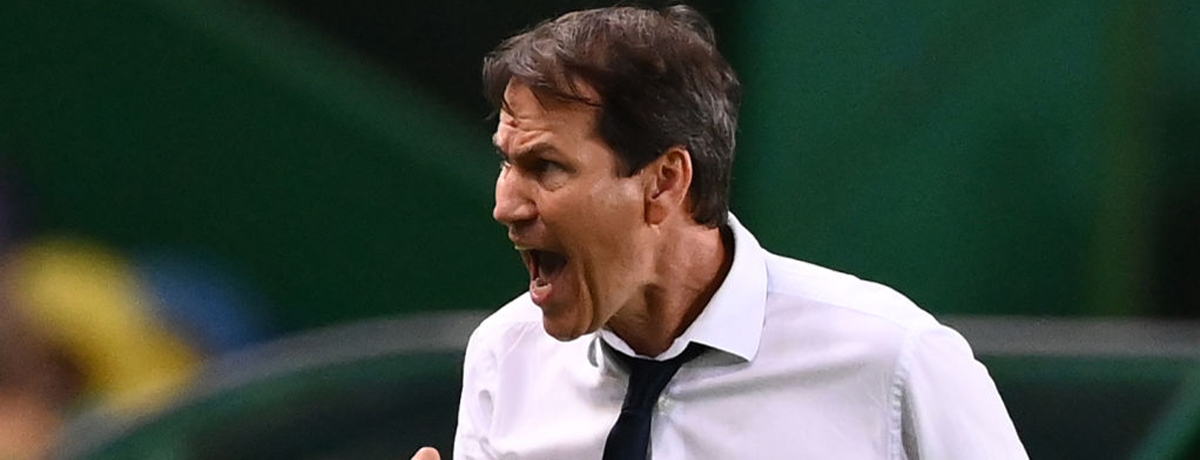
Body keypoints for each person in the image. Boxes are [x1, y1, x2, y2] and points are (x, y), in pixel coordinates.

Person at [415, 4, 1026, 459]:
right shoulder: (504, 357)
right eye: (506, 162)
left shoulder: (896, 361)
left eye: (546, 166)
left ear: (664, 182)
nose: (506, 205)